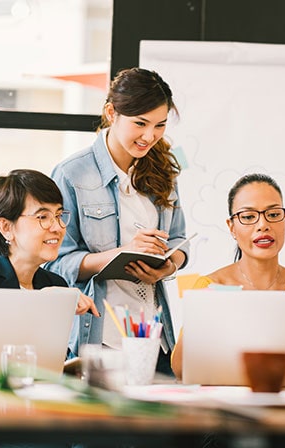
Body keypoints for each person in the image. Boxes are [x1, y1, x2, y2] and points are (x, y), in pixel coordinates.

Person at [46, 67, 189, 374]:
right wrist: (117, 256)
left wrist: (170, 265)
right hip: (100, 339)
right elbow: (53, 263)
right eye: (140, 123)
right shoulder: (71, 174)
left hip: (155, 337)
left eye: (160, 125)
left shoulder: (165, 171)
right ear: (111, 113)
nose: (150, 136)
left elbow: (178, 239)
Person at [171, 173, 285, 378]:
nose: (262, 225)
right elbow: (180, 369)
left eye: (273, 214)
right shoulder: (211, 285)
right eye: (248, 217)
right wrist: (204, 313)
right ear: (232, 227)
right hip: (228, 402)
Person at [0, 169, 99, 368]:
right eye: (42, 217)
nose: (57, 227)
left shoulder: (54, 284)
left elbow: (50, 365)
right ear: (6, 227)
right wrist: (39, 302)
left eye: (59, 215)